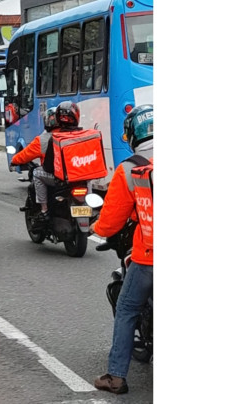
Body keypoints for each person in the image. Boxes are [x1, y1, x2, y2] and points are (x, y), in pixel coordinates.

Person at [90, 104, 154, 395]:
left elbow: (110, 222)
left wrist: (96, 229)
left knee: (128, 308)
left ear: (132, 134)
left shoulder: (130, 168)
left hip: (150, 256)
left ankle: (115, 376)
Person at [8, 102, 81, 225]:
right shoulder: (79, 134)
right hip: (79, 176)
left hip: (59, 179)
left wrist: (14, 161)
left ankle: (44, 209)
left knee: (37, 173)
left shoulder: (43, 139)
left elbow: (24, 155)